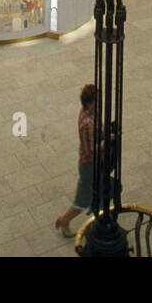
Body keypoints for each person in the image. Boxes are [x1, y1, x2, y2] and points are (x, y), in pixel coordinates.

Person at [55, 84, 97, 238]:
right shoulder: (88, 124)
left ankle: (95, 215)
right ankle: (64, 220)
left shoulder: (85, 113)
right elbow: (90, 150)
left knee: (93, 191)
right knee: (83, 198)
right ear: (90, 103)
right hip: (89, 164)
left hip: (88, 163)